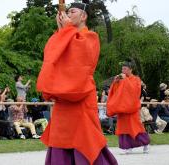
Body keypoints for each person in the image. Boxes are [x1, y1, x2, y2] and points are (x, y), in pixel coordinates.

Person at [36, 1, 117, 164]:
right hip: (63, 99)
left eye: (72, 12)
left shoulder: (91, 37)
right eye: (68, 12)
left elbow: (80, 60)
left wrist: (66, 30)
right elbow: (52, 57)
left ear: (83, 16)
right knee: (61, 139)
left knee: (84, 137)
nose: (69, 14)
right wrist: (61, 31)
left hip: (81, 96)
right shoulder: (62, 35)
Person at [107, 61, 150, 154]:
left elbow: (134, 92)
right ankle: (128, 147)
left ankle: (145, 143)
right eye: (122, 69)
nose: (123, 70)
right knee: (124, 129)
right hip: (122, 108)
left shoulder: (136, 79)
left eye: (125, 69)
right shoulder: (121, 78)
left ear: (131, 69)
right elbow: (115, 92)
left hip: (131, 108)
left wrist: (125, 79)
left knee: (136, 128)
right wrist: (116, 82)